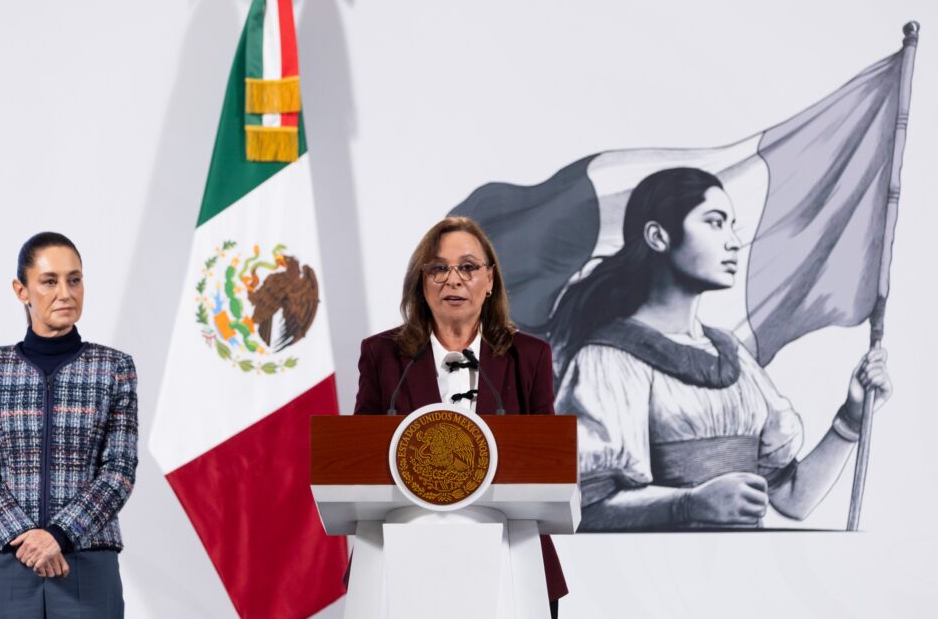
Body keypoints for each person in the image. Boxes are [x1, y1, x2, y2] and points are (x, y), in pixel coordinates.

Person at [549, 168, 893, 531]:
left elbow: (793, 499)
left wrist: (852, 417)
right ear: (658, 236)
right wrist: (688, 504)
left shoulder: (734, 357)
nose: (733, 242)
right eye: (715, 223)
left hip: (743, 565)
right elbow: (583, 507)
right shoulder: (608, 360)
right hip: (659, 566)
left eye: (732, 226)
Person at [354, 216, 568, 616]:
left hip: (512, 559)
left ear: (490, 281)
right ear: (421, 283)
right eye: (438, 268)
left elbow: (549, 465)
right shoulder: (383, 355)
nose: (453, 279)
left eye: (468, 267)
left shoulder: (529, 356)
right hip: (401, 559)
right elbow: (356, 461)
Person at [0, 232, 138, 617]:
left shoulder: (113, 369)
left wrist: (60, 535)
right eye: (49, 281)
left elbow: (119, 470)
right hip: (8, 561)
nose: (65, 293)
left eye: (74, 280)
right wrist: (24, 537)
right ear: (21, 290)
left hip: (87, 560)